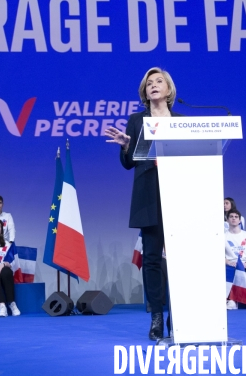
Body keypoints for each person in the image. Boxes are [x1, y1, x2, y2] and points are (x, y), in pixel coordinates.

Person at [104, 67, 182, 340]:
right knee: (151, 259)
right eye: (149, 83)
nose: (154, 86)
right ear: (144, 92)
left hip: (179, 197)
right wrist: (126, 145)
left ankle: (180, 315)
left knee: (180, 261)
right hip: (149, 195)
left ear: (169, 90)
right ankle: (157, 317)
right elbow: (128, 163)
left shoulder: (182, 121)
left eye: (159, 81)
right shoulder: (137, 120)